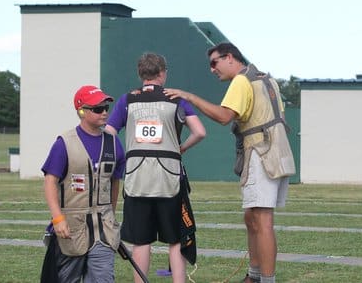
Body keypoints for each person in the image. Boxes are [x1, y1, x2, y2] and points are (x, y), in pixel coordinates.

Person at [164, 42, 295, 283]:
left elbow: (224, 117)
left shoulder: (242, 81)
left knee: (263, 220)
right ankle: (254, 275)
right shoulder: (268, 79)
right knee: (252, 217)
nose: (212, 69)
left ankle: (265, 279)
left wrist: (189, 96)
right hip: (278, 153)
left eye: (215, 62)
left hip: (261, 152)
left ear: (231, 58)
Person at [105, 52, 206, 283]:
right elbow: (200, 132)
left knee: (140, 240)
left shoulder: (127, 100)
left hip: (136, 177)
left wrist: (128, 153)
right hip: (169, 177)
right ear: (162, 73)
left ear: (141, 74)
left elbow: (110, 132)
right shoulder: (176, 98)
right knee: (176, 239)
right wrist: (182, 148)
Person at [40, 85, 126, 283]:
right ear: (81, 111)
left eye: (106, 107)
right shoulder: (64, 143)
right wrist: (57, 219)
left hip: (104, 231)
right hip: (71, 229)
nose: (104, 112)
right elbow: (50, 181)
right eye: (97, 109)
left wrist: (110, 215)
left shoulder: (114, 143)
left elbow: (115, 182)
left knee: (103, 279)